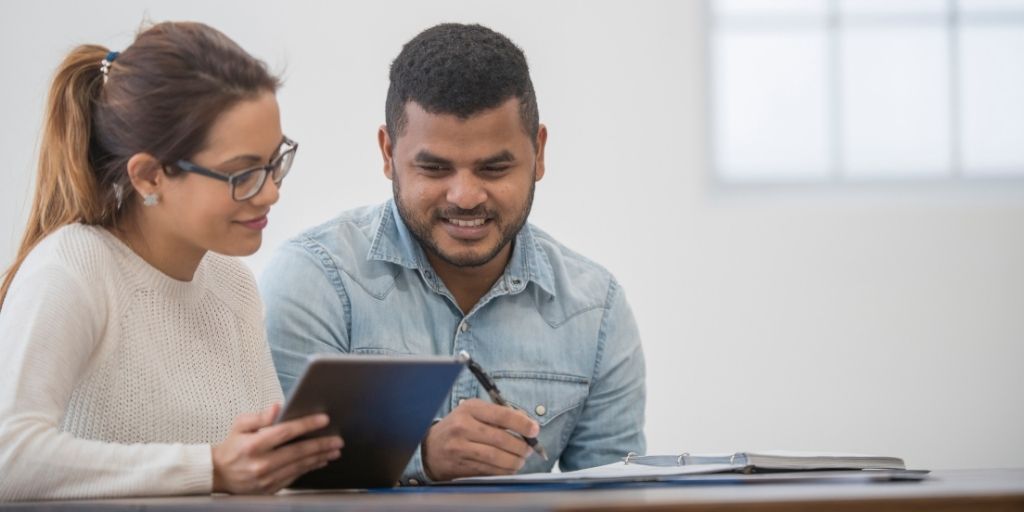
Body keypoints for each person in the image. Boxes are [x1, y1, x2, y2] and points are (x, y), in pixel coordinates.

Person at [261, 23, 645, 485]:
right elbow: (279, 484)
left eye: (494, 167)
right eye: (435, 168)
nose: (465, 196)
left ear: (539, 153)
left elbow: (615, 496)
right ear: (388, 153)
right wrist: (421, 456)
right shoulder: (314, 281)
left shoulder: (595, 310)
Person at [0, 22, 343, 501]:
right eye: (241, 173)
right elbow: (8, 456)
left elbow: (261, 481)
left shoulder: (233, 284)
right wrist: (211, 469)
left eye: (274, 162)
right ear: (149, 176)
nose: (270, 192)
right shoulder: (72, 269)